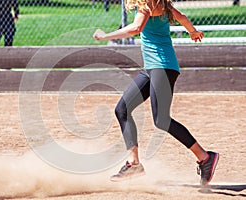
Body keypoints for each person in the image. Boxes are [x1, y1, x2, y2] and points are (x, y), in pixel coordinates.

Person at [93, 0, 219, 185]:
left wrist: (106, 36)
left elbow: (136, 28)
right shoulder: (160, 4)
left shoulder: (147, 4)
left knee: (162, 120)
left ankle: (205, 157)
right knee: (122, 109)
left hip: (162, 67)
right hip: (152, 68)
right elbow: (182, 18)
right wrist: (192, 31)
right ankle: (133, 163)